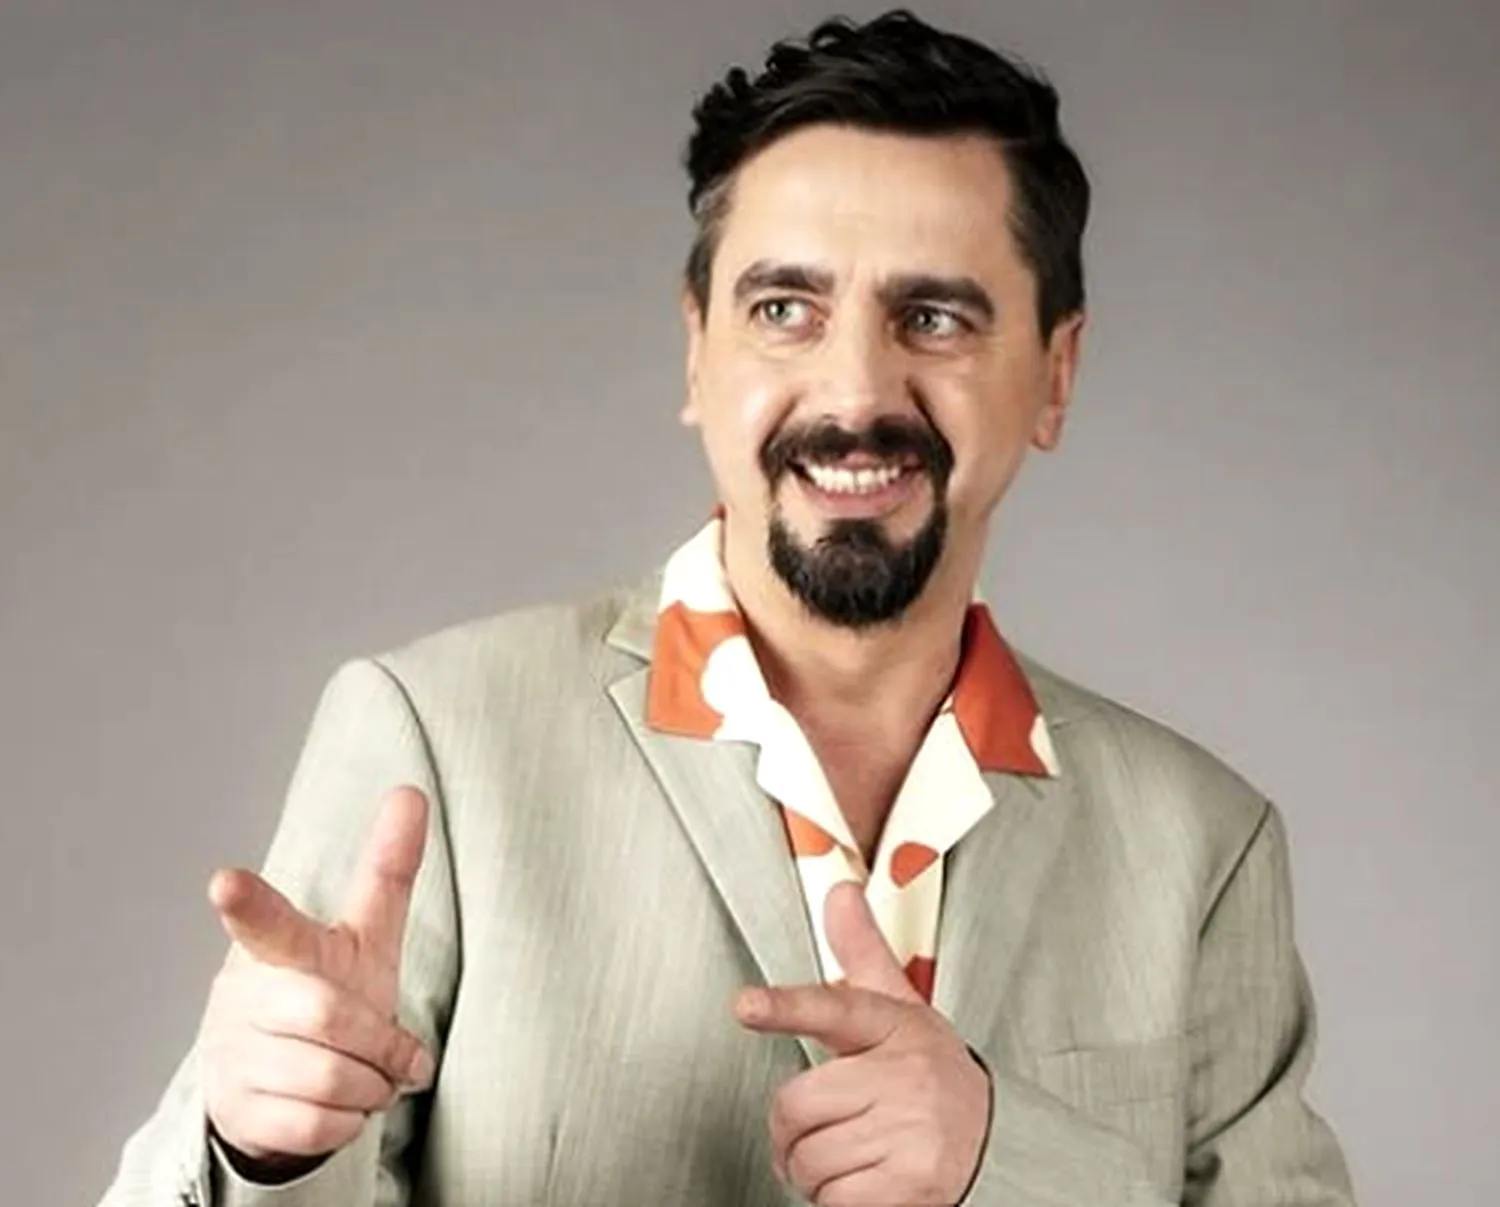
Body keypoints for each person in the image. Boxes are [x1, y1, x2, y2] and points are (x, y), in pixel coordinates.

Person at [98, 10, 1356, 1206]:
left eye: (933, 317)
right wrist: (255, 1146)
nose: (854, 392)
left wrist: (1002, 1159)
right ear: (699, 349)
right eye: (784, 310)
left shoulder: (1201, 846)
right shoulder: (438, 741)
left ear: (1055, 373)